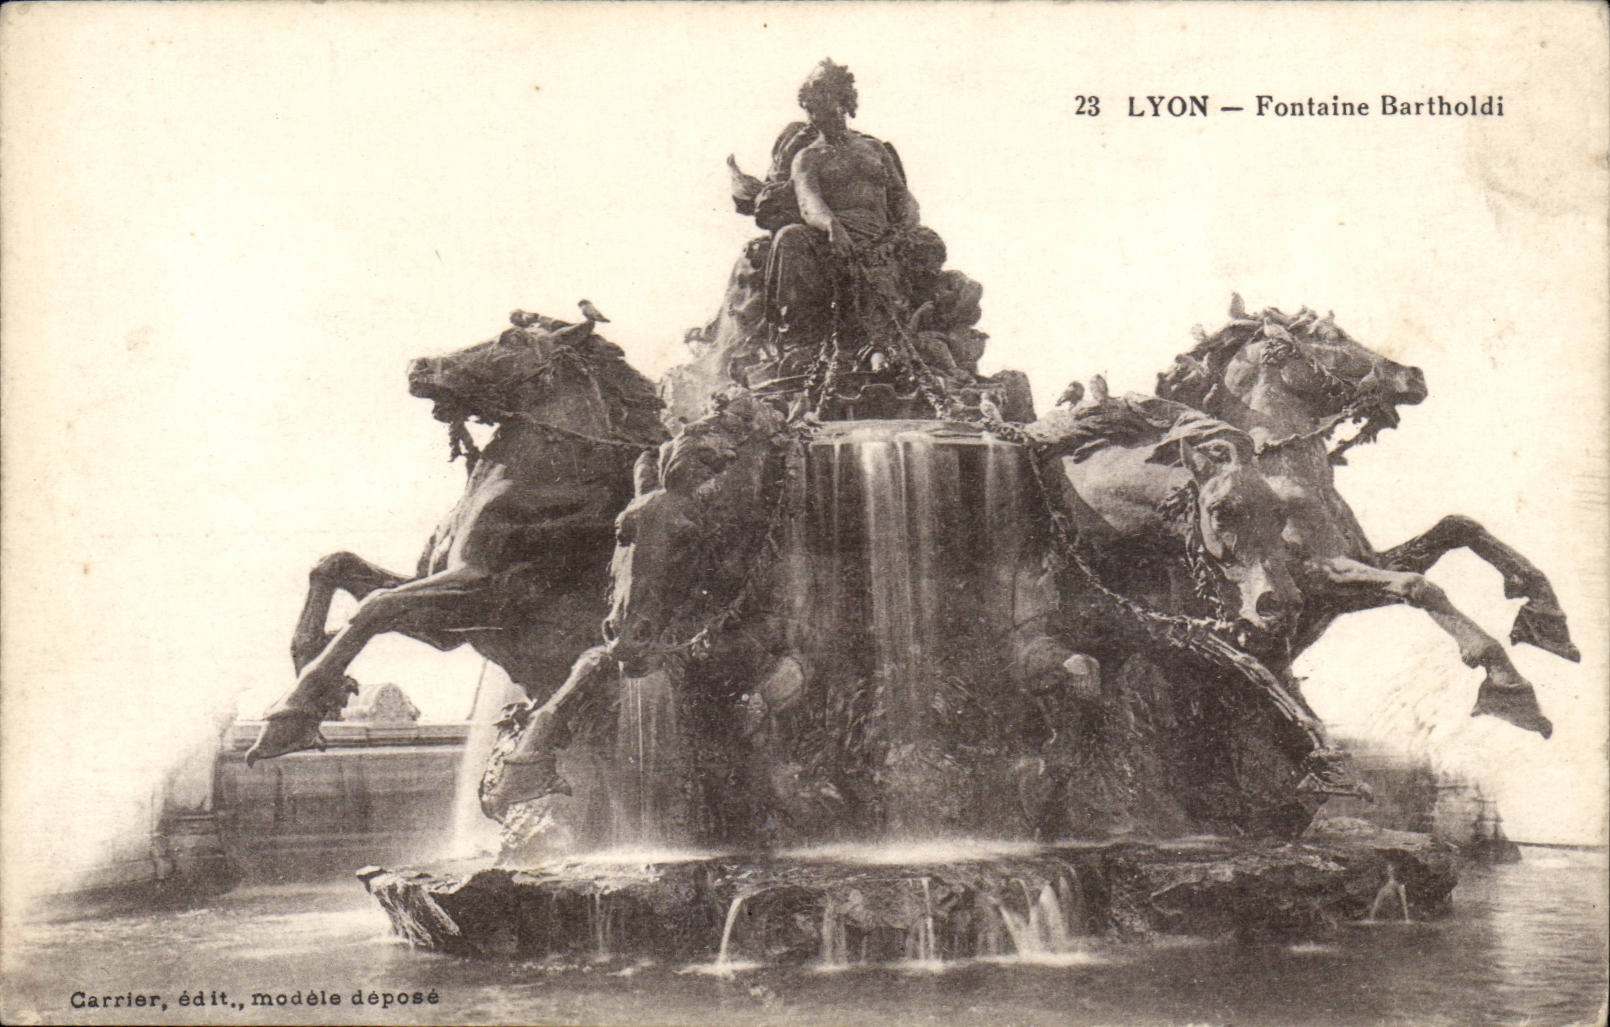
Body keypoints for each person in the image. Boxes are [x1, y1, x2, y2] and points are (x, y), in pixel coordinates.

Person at [759, 60, 922, 355]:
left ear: (844, 101)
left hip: (883, 233)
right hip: (833, 235)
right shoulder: (807, 157)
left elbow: (903, 197)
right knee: (789, 238)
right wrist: (833, 227)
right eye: (809, 107)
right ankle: (801, 340)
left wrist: (900, 232)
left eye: (822, 102)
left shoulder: (875, 149)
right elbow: (809, 203)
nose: (814, 113)